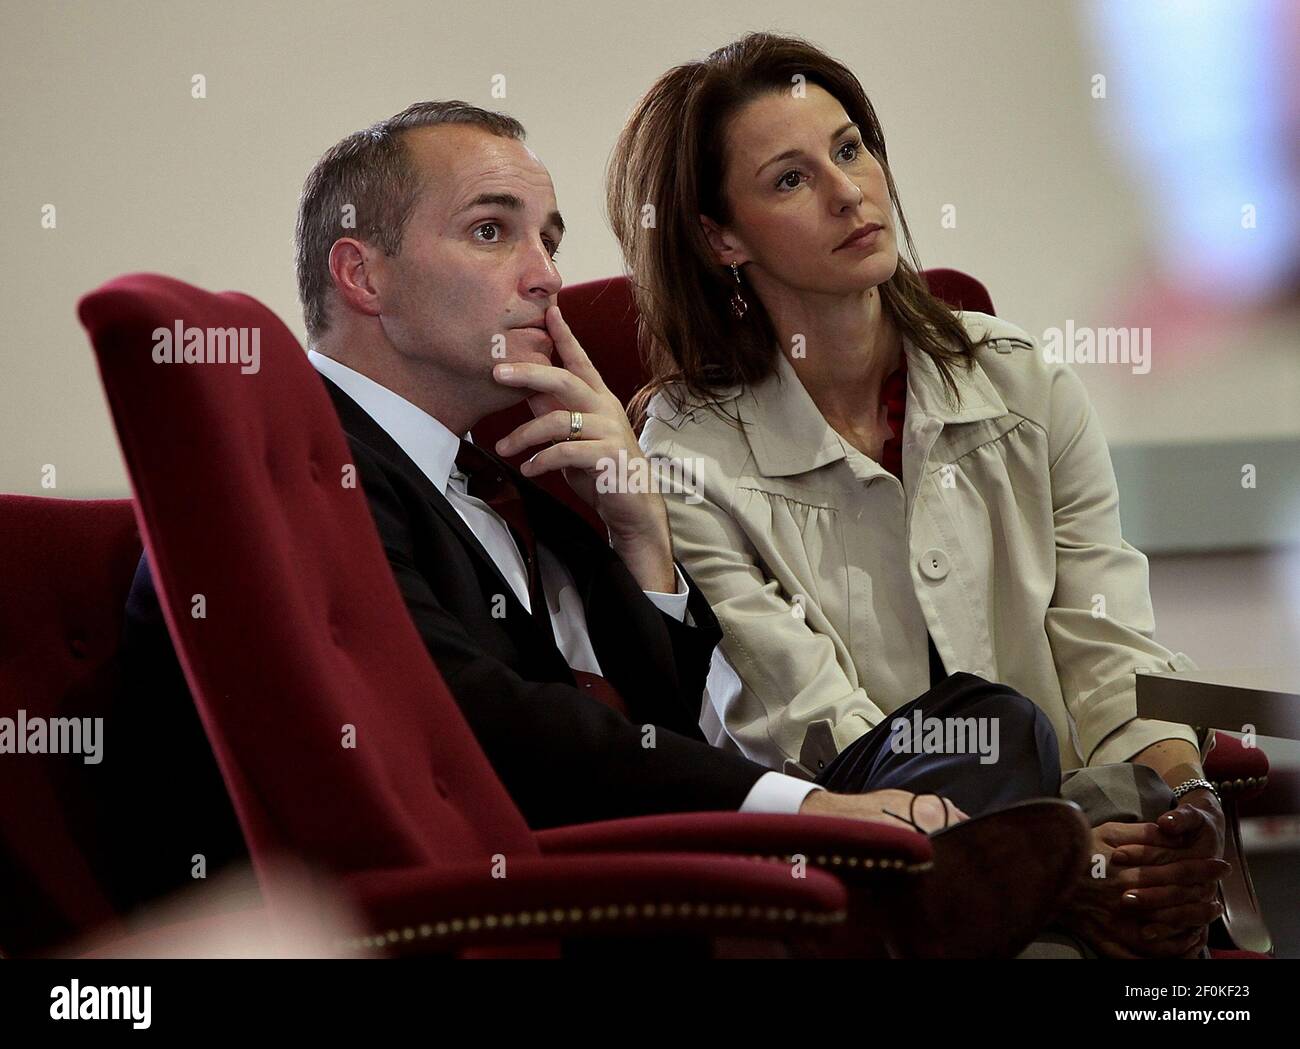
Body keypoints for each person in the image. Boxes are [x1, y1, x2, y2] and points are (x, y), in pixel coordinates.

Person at [113, 99, 1085, 956]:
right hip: (497, 915)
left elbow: (656, 713)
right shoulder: (299, 478)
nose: (544, 276)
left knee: (989, 723)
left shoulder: (499, 477)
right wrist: (805, 810)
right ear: (362, 274)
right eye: (494, 232)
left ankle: (1022, 894)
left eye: (550, 237)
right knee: (983, 850)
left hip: (636, 866)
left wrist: (636, 529)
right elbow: (472, 718)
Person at [614, 33, 1226, 958]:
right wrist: (1051, 868)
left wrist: (1182, 803)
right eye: (789, 178)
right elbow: (813, 730)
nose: (848, 190)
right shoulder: (689, 454)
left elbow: (1110, 653)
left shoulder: (1025, 382)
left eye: (851, 147)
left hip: (1085, 845)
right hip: (867, 884)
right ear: (720, 236)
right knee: (1001, 735)